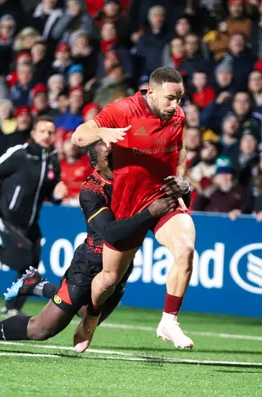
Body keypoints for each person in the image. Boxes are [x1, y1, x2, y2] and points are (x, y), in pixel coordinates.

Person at [0, 142, 180, 349]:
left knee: (88, 314)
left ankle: (37, 285)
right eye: (108, 156)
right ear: (95, 164)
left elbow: (170, 200)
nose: (116, 160)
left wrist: (182, 188)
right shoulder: (91, 190)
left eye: (117, 154)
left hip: (121, 268)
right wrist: (150, 212)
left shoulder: (134, 178)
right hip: (88, 267)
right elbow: (111, 234)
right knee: (42, 329)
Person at [71, 67, 196, 352]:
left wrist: (181, 179)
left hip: (163, 197)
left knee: (186, 249)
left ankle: (169, 320)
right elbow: (78, 137)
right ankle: (91, 315)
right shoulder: (123, 109)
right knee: (108, 280)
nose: (176, 105)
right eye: (170, 98)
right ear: (151, 93)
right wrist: (102, 131)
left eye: (179, 98)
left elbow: (181, 150)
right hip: (128, 203)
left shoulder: (177, 115)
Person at [0, 115, 67, 315]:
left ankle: (12, 307)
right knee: (24, 260)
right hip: (7, 215)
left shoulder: (52, 160)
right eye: (42, 131)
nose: (46, 135)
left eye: (50, 132)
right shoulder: (19, 154)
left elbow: (49, 192)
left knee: (31, 266)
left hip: (31, 222)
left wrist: (57, 194)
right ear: (33, 133)